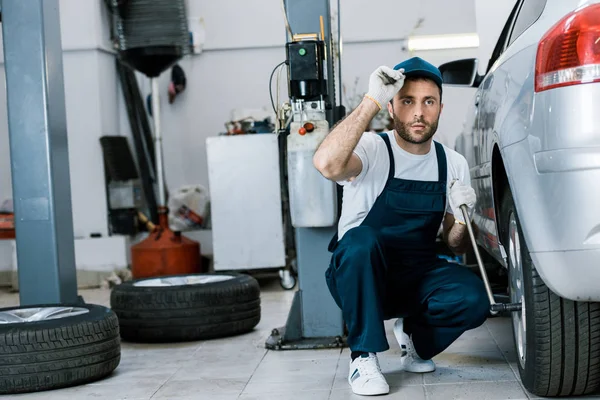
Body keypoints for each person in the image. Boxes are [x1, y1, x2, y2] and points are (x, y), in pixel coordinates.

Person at [313, 57, 490, 396]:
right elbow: (326, 164)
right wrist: (371, 100)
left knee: (474, 297)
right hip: (360, 274)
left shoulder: (452, 163)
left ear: (440, 107)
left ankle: (416, 339)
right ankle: (363, 358)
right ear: (392, 107)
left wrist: (464, 214)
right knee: (361, 240)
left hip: (417, 276)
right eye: (407, 101)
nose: (419, 113)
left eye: (428, 101)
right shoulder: (371, 148)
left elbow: (457, 245)